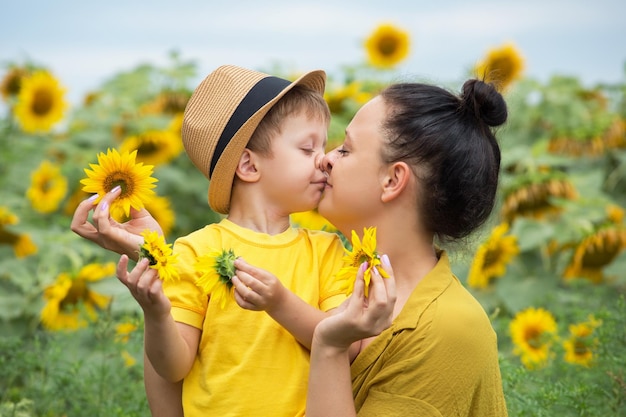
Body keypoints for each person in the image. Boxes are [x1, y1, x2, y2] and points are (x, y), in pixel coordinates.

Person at [71, 65, 351, 416]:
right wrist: (156, 313)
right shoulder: (195, 252)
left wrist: (279, 302)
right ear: (248, 166)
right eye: (308, 148)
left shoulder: (327, 250)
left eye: (323, 146)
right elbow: (173, 367)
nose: (324, 159)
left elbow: (345, 346)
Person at [301, 79, 509, 416]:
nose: (325, 159)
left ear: (393, 180)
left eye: (346, 149)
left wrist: (330, 347)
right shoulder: (325, 275)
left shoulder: (449, 329)